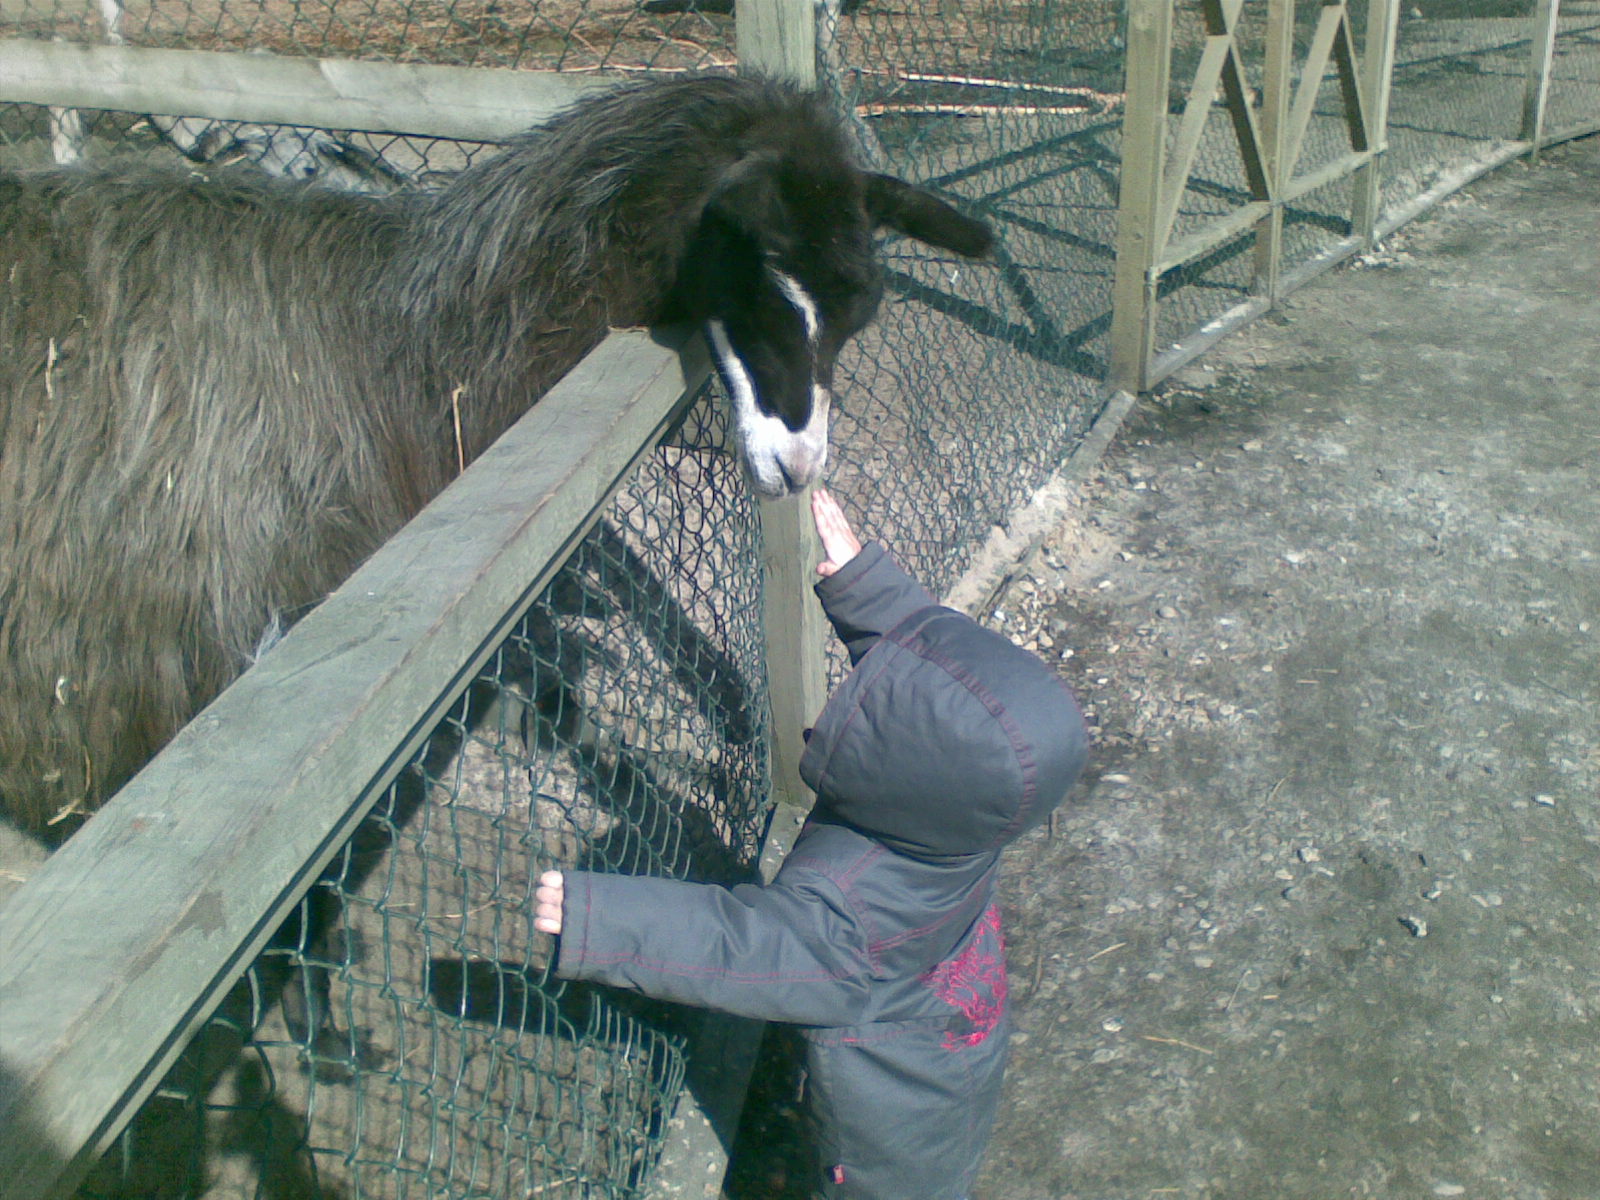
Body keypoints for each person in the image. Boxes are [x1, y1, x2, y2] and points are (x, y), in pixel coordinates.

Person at [534, 488, 1090, 1200]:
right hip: (954, 1059)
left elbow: (740, 944)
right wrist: (868, 587)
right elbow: (946, 690)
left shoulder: (850, 923)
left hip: (885, 1136)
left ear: (907, 774)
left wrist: (601, 920)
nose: (847, 701)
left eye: (871, 719)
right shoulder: (963, 821)